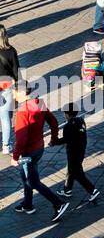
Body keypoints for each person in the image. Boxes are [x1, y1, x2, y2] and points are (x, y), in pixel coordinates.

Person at [11, 89, 68, 222]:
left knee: (32, 181)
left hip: (28, 152)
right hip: (39, 148)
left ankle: (58, 203)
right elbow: (53, 122)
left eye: (15, 92)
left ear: (22, 92)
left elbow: (21, 138)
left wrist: (15, 157)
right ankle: (28, 203)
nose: (13, 95)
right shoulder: (39, 103)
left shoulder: (22, 112)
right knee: (25, 175)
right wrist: (54, 138)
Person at [55, 101, 98, 204]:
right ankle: (67, 190)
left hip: (72, 152)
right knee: (71, 170)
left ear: (67, 114)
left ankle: (92, 190)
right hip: (81, 150)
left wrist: (54, 142)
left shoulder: (68, 126)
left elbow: (66, 139)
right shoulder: (81, 121)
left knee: (77, 173)